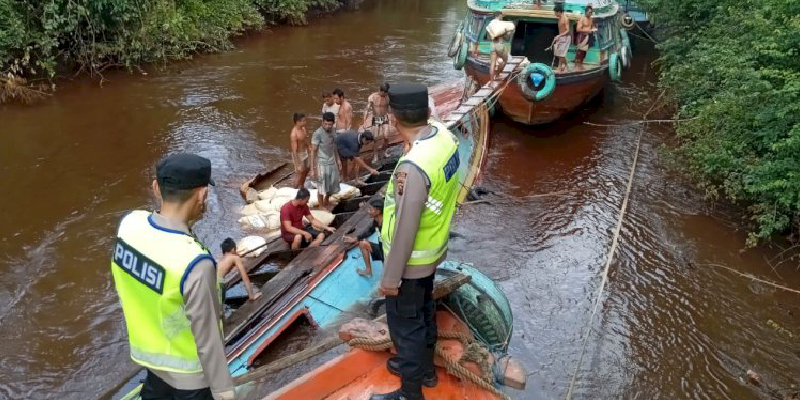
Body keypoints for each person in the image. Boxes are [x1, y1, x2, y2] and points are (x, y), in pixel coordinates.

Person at [110, 153, 234, 400]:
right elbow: (208, 339)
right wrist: (223, 392)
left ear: (157, 188)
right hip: (191, 380)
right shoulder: (195, 262)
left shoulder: (129, 226)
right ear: (202, 195)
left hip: (151, 361)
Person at [370, 83, 461, 400]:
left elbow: (407, 226)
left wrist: (390, 277)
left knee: (405, 328)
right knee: (423, 312)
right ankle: (425, 370)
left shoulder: (415, 166)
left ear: (395, 118)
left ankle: (410, 392)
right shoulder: (445, 138)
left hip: (410, 262)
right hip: (433, 251)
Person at [343, 195, 385, 277]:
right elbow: (369, 231)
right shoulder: (376, 221)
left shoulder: (386, 224)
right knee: (363, 243)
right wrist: (355, 239)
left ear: (378, 211)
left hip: (389, 254)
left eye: (370, 209)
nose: (368, 211)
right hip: (381, 250)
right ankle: (368, 271)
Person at [311, 112, 341, 209]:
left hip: (331, 161)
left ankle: (327, 199)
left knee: (332, 184)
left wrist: (338, 160)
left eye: (330, 124)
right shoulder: (317, 133)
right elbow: (313, 152)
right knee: (322, 185)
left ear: (333, 123)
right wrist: (313, 168)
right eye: (326, 124)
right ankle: (320, 205)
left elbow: (334, 146)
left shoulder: (333, 131)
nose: (328, 126)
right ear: (322, 122)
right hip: (321, 163)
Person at [363, 83, 391, 163]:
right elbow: (366, 109)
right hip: (376, 119)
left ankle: (383, 151)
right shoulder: (372, 97)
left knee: (386, 137)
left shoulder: (387, 97)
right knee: (375, 139)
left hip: (385, 118)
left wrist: (392, 118)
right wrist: (364, 121)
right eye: (384, 93)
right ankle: (375, 156)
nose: (385, 95)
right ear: (380, 90)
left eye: (386, 93)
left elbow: (389, 109)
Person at [485, 12, 513, 81]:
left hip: (493, 45)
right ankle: (497, 74)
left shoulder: (491, 25)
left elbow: (489, 38)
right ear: (499, 16)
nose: (502, 17)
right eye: (501, 16)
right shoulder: (501, 25)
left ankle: (491, 82)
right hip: (500, 44)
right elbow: (506, 39)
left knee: (493, 64)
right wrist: (508, 33)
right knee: (505, 60)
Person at [290, 112, 311, 189]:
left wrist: (309, 146)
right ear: (298, 122)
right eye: (304, 121)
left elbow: (305, 139)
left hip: (304, 152)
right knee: (300, 172)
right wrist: (297, 164)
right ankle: (294, 189)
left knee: (307, 168)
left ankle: (301, 185)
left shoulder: (303, 129)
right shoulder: (294, 134)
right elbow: (294, 150)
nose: (305, 122)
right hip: (298, 155)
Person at [575, 5, 597, 69]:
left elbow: (591, 26)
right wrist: (588, 30)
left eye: (591, 12)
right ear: (585, 12)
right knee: (579, 54)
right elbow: (578, 29)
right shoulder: (582, 19)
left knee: (584, 54)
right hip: (581, 37)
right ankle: (577, 69)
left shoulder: (591, 19)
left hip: (588, 37)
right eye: (589, 12)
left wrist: (594, 29)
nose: (590, 14)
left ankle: (580, 68)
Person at [551, 2, 571, 73]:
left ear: (559, 11)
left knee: (562, 55)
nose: (555, 14)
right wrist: (558, 36)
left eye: (555, 12)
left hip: (566, 37)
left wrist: (559, 35)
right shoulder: (560, 18)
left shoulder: (565, 19)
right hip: (561, 37)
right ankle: (559, 68)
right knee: (558, 53)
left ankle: (566, 67)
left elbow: (568, 30)